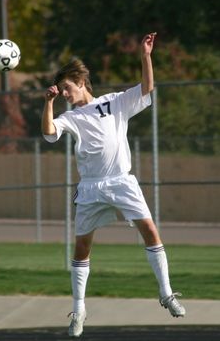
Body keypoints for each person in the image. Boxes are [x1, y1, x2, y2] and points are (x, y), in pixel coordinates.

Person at [41, 33, 185, 338]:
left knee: (151, 230)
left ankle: (167, 293)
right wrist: (49, 103)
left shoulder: (115, 102)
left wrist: (146, 56)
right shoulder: (71, 116)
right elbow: (50, 132)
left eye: (66, 88)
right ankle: (78, 310)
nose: (65, 93)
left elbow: (147, 88)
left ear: (81, 82)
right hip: (91, 187)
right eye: (62, 90)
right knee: (82, 248)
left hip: (122, 182)